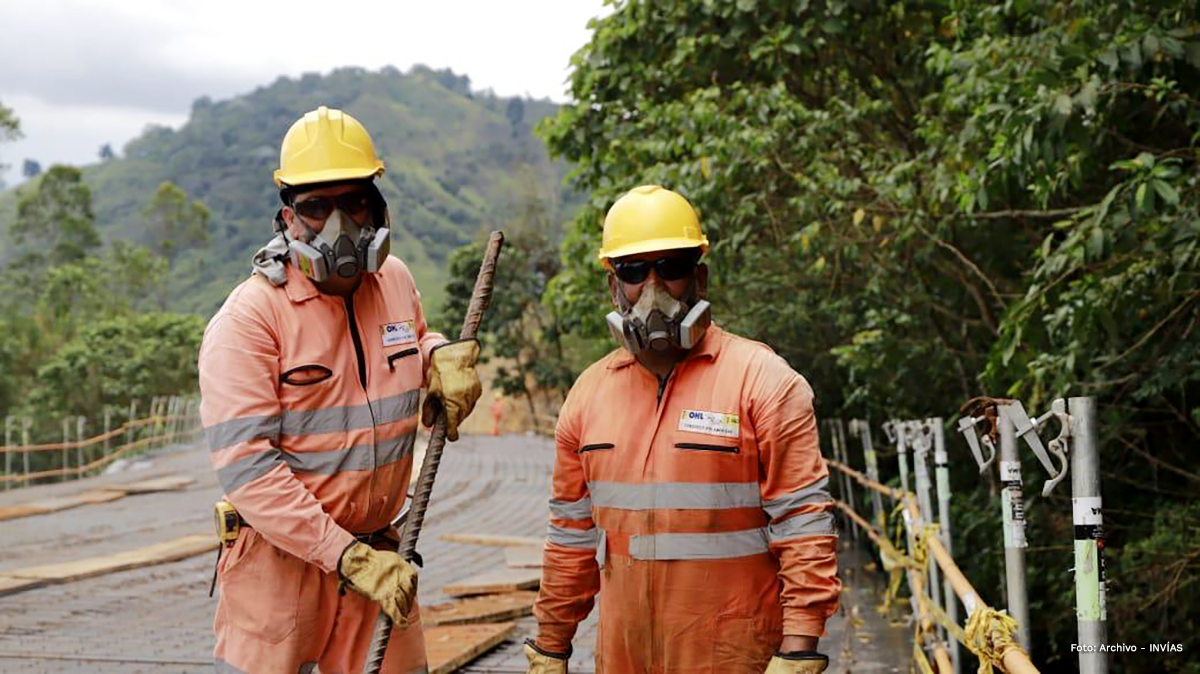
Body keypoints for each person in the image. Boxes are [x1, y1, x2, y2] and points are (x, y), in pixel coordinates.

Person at [199, 105, 482, 674]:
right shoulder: (251, 319)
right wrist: (343, 555)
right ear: (288, 218)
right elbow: (249, 470)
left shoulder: (395, 280)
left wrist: (440, 360)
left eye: (353, 202)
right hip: (284, 571)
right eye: (316, 207)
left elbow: (410, 345)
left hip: (380, 560)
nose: (338, 225)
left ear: (376, 207)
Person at [524, 185, 840, 674]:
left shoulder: (764, 383)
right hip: (624, 660)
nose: (653, 288)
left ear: (700, 278)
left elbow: (805, 527)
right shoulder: (588, 396)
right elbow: (571, 538)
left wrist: (799, 650)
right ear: (614, 286)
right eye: (633, 271)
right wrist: (550, 645)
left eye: (670, 267)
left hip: (737, 660)